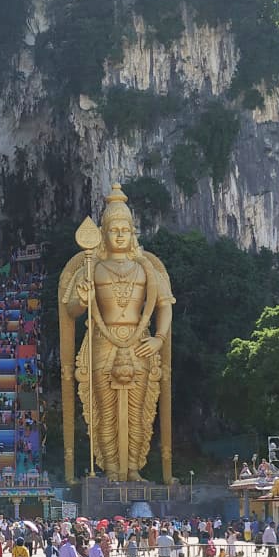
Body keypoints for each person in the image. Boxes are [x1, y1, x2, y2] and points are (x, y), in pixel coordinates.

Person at [59, 184, 175, 482]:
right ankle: (111, 467)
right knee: (105, 411)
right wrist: (82, 299)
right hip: (102, 342)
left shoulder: (146, 267)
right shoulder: (91, 267)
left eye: (126, 228)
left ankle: (134, 468)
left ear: (133, 232)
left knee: (138, 412)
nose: (120, 234)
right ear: (103, 233)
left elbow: (164, 306)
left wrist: (158, 338)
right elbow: (70, 310)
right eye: (114, 229)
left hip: (140, 343)